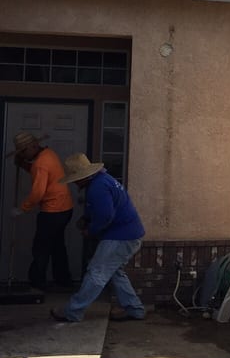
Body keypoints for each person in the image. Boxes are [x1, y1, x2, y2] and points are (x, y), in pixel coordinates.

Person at [50, 153, 146, 323]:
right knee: (115, 273)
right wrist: (87, 218)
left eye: (75, 179)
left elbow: (105, 215)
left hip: (120, 237)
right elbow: (102, 209)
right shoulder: (103, 180)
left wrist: (91, 230)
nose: (74, 183)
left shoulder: (97, 187)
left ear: (82, 177)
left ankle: (73, 311)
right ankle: (134, 309)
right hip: (129, 234)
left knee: (96, 273)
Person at [9, 131, 74, 290]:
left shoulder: (41, 163)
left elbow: (38, 192)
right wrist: (24, 164)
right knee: (57, 246)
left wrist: (22, 209)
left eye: (23, 152)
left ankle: (37, 284)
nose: (23, 155)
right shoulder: (48, 154)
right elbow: (39, 172)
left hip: (53, 211)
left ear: (32, 146)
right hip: (64, 209)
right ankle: (63, 281)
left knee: (41, 248)